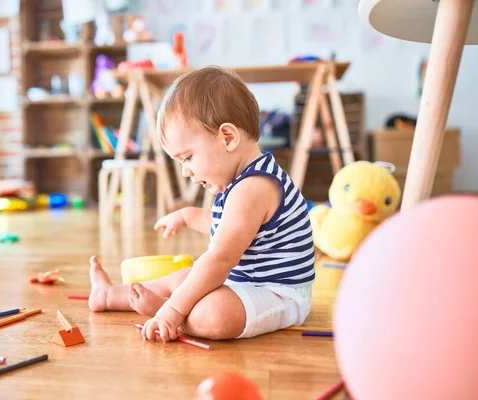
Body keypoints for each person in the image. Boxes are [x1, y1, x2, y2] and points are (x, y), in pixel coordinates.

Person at [88, 66, 315, 342]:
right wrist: (186, 216)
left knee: (213, 313)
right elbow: (225, 225)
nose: (186, 171)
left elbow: (220, 258)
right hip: (245, 284)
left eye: (188, 158)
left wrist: (172, 309)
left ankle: (166, 312)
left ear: (228, 137)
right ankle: (110, 294)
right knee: (183, 278)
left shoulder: (253, 188)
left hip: (277, 292)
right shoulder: (240, 182)